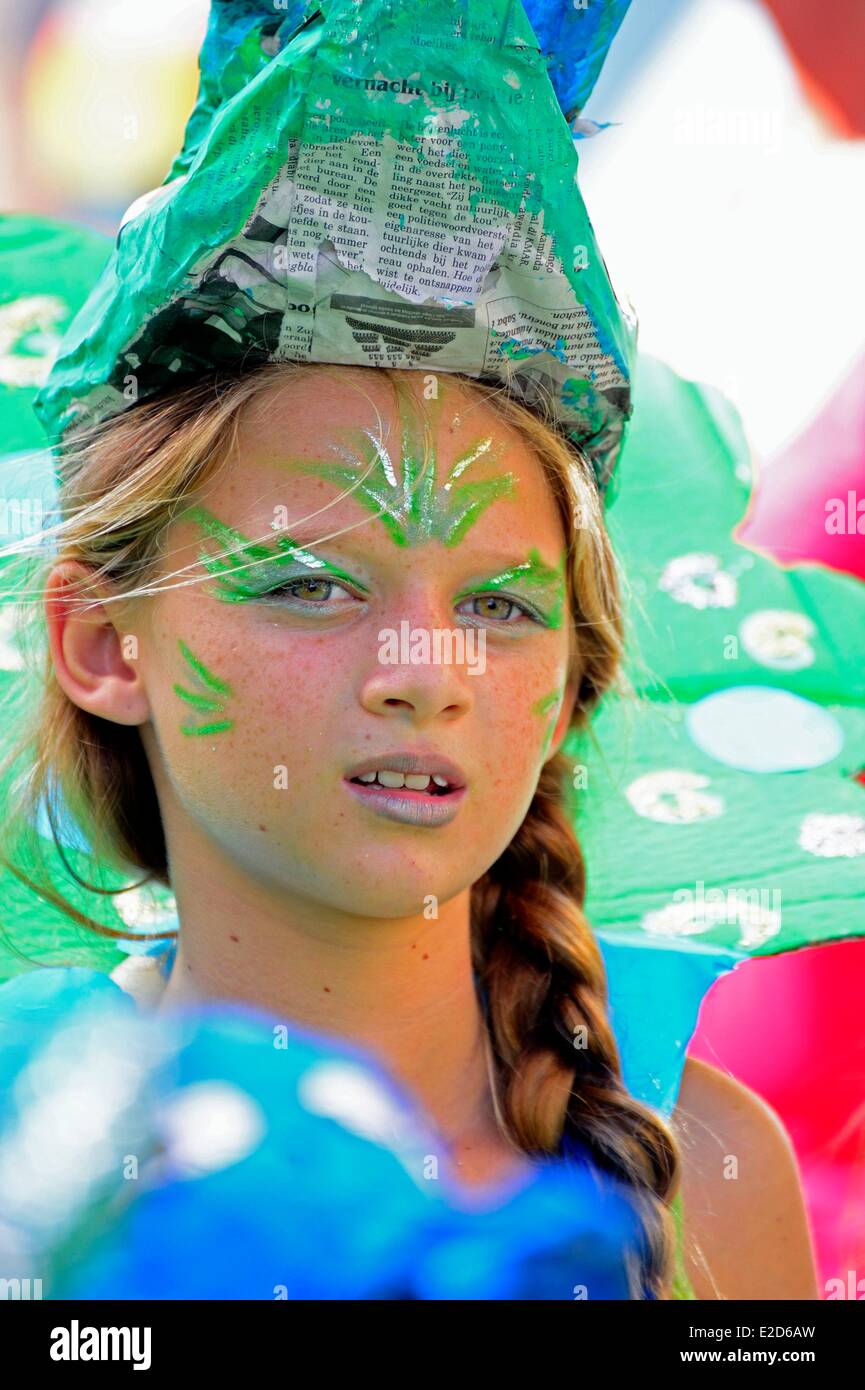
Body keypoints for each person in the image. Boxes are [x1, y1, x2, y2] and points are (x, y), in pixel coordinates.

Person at [0, 354, 816, 1298]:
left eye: (497, 606)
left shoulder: (709, 1166)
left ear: (559, 704)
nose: (428, 673)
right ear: (103, 643)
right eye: (309, 586)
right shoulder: (31, 1157)